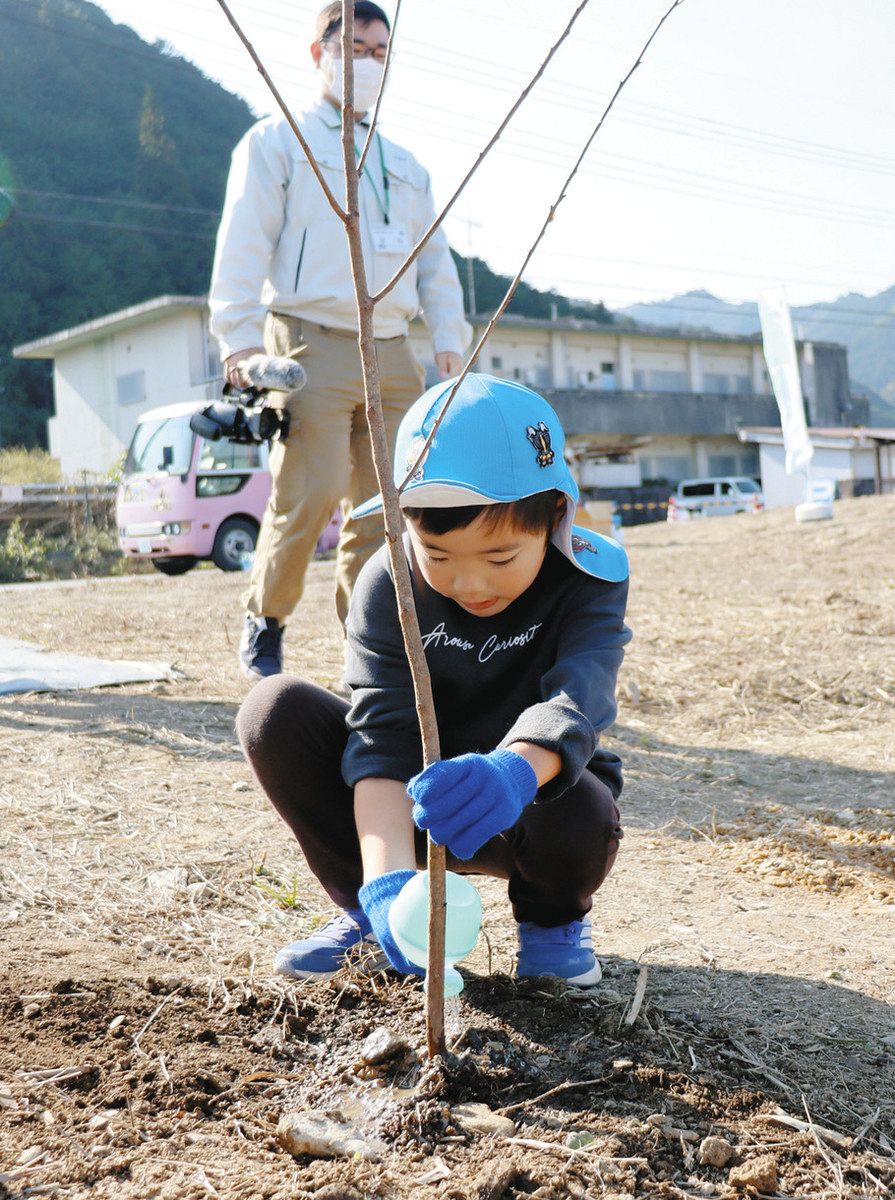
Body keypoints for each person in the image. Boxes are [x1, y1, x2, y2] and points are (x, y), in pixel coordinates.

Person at [237, 373, 632, 986]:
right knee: (274, 710)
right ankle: (371, 920)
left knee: (581, 801)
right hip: (410, 806)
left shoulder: (590, 577)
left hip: (525, 805)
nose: (470, 585)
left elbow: (579, 697)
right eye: (437, 556)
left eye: (500, 558)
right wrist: (390, 889)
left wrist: (513, 771)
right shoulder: (387, 581)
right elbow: (381, 739)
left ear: (555, 514)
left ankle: (551, 923)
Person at [209, 1, 471, 678]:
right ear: (319, 51)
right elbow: (242, 240)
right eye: (354, 47)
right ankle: (264, 619)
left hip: (391, 346)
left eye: (380, 53)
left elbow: (434, 262)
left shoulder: (405, 164)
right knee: (312, 489)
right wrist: (238, 342)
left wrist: (450, 340)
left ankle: (369, 644)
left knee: (388, 506)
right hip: (309, 339)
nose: (367, 62)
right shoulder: (278, 140)